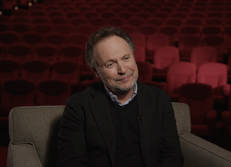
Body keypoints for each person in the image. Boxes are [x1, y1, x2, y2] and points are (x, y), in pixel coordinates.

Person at [57, 27, 183, 167]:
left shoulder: (159, 99)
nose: (122, 70)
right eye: (110, 64)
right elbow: (69, 162)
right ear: (96, 72)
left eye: (126, 58)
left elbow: (172, 157)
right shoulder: (78, 105)